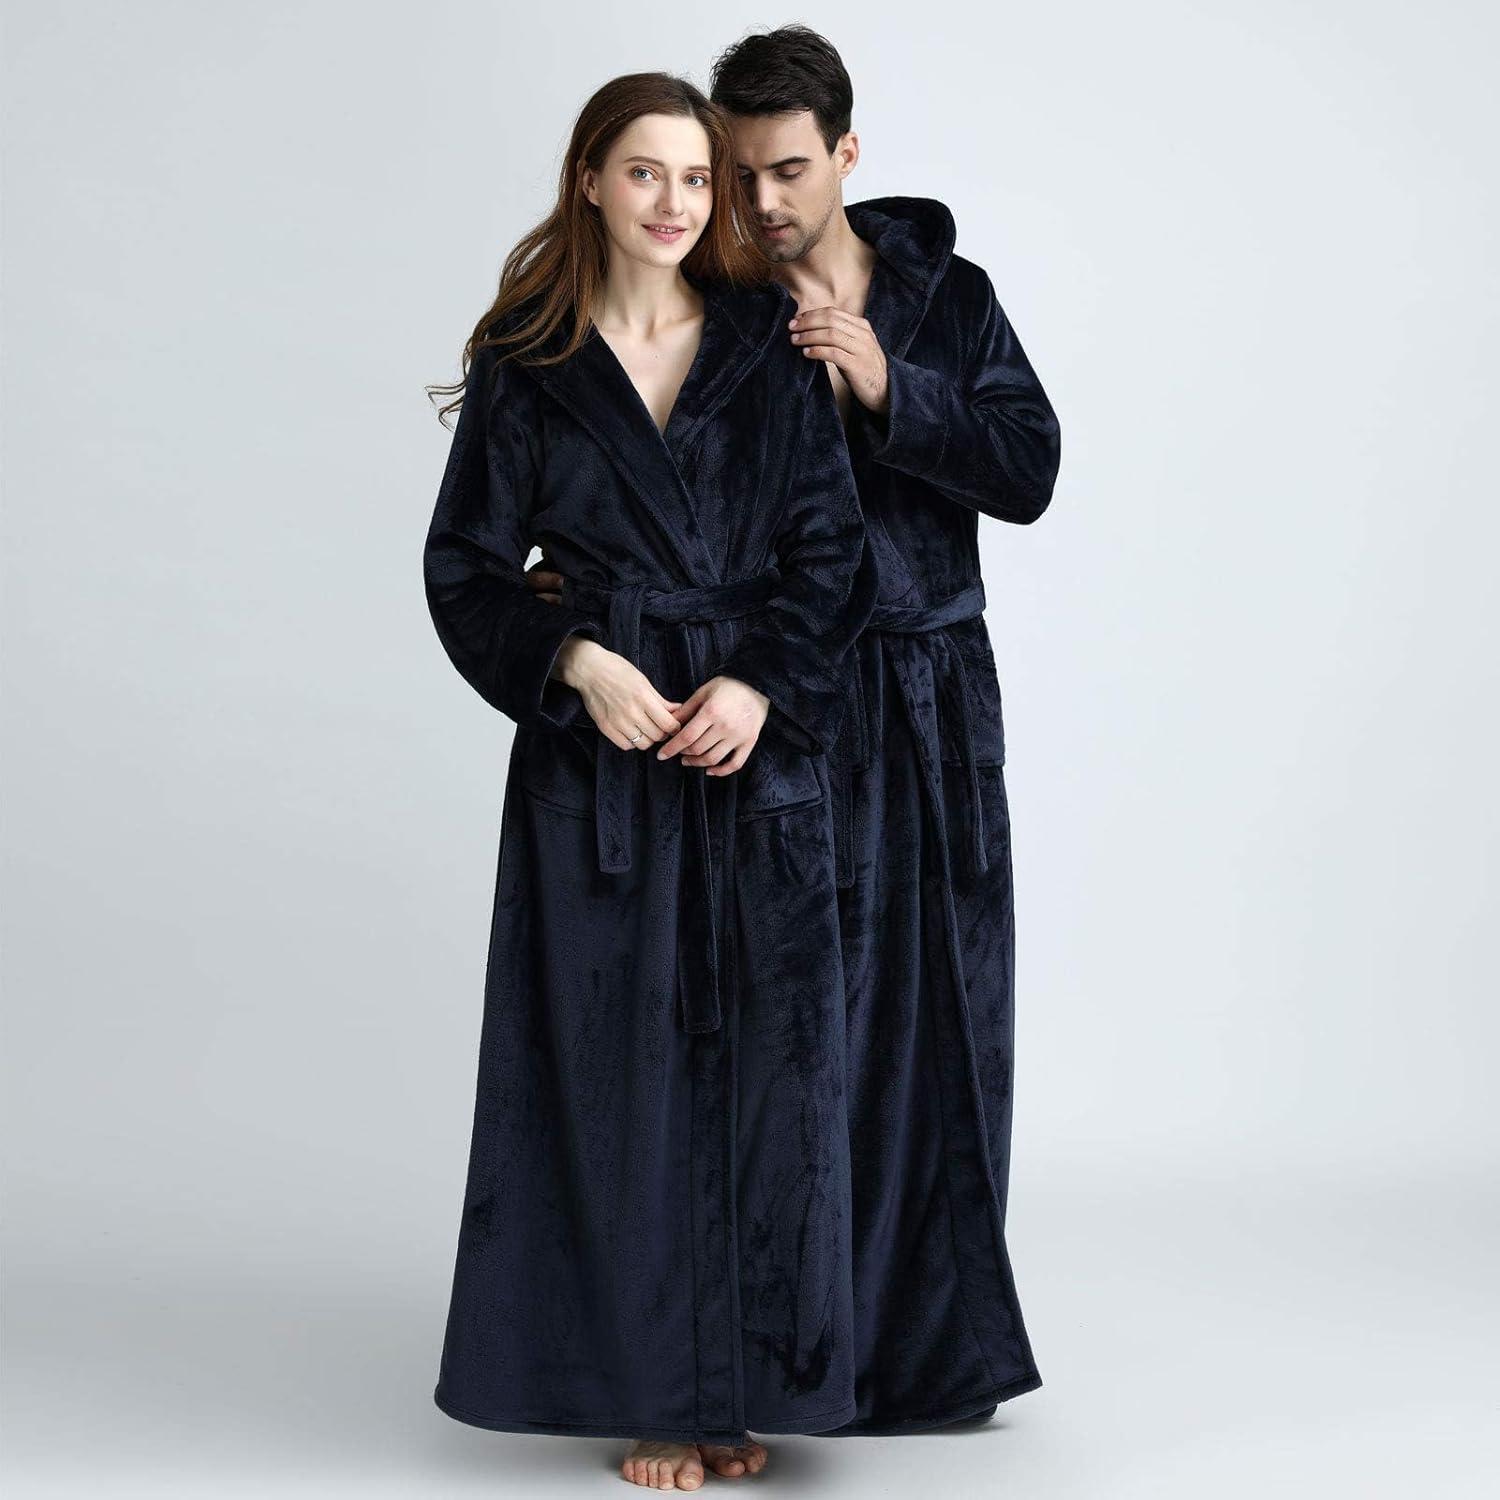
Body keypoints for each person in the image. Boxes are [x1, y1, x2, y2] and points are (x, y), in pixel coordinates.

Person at [526, 26, 1063, 1456]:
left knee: (940, 1022)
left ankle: (921, 1357)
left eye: (786, 171)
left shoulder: (948, 300)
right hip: (774, 701)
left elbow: (1030, 468)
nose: (759, 203)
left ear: (845, 155)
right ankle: (771, 1360)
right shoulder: (718, 302)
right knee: (787, 1038)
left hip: (928, 697)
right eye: (739, 171)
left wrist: (890, 385)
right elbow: (632, 484)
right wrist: (578, 615)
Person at [422, 72, 876, 1489]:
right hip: (599, 768)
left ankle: (742, 1390)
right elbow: (464, 572)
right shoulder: (530, 362)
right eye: (644, 172)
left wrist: (761, 685)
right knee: (612, 1076)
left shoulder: (766, 346)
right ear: (590, 180)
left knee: (773, 1076)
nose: (676, 202)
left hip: (750, 756)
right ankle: (659, 1397)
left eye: (696, 176)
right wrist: (573, 662)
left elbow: (834, 557)